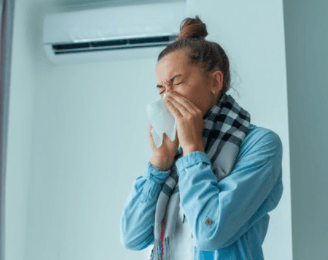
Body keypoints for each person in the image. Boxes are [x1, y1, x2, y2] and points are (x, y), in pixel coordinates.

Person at [119, 15, 284, 260]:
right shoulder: (174, 156)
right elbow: (132, 237)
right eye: (162, 89)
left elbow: (211, 232)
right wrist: (159, 163)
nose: (166, 98)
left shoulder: (260, 145)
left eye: (176, 82)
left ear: (215, 82)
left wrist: (193, 149)